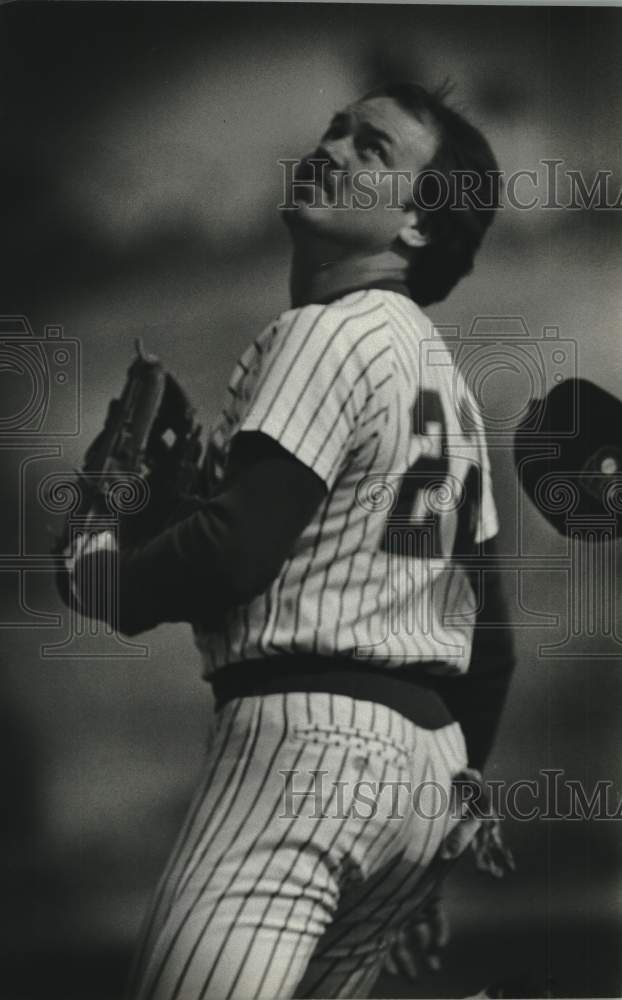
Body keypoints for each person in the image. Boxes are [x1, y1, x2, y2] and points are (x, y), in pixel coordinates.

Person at [65, 82, 515, 1000]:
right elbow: (493, 648)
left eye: (373, 150)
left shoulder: (324, 333)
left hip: (304, 754)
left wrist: (102, 577)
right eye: (336, 130)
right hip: (427, 770)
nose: (336, 149)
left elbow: (234, 550)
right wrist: (438, 823)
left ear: (418, 228)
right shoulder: (448, 390)